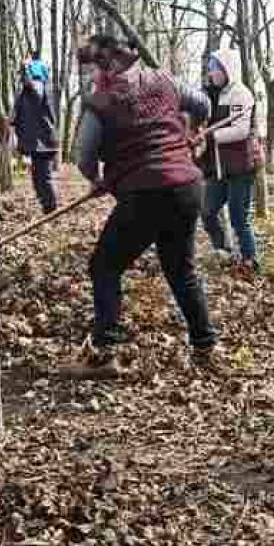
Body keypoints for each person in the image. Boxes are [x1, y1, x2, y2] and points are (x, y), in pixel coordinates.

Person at [68, 33, 219, 377]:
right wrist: (190, 132)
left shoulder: (100, 102)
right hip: (186, 187)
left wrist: (97, 179)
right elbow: (203, 105)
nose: (91, 77)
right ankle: (205, 346)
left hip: (145, 193)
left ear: (106, 68)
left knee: (104, 267)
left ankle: (103, 353)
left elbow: (84, 156)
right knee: (181, 270)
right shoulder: (163, 79)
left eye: (92, 69)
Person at [198, 46, 263, 272]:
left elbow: (241, 130)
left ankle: (250, 259)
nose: (211, 73)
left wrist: (211, 136)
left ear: (227, 69)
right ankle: (224, 251)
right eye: (210, 68)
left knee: (239, 218)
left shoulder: (241, 94)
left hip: (240, 167)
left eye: (214, 68)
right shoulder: (214, 94)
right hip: (218, 167)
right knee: (207, 212)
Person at [10, 52, 59, 214]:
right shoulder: (28, 92)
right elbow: (20, 112)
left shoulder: (39, 85)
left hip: (42, 141)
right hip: (38, 141)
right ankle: (47, 207)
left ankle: (51, 208)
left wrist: (25, 68)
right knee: (38, 178)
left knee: (43, 178)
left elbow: (33, 90)